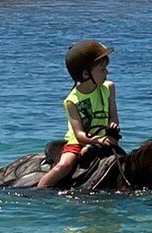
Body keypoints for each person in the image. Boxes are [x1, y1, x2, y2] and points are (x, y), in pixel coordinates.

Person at [37, 39, 120, 191]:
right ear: (86, 73)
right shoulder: (71, 101)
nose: (107, 72)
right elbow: (79, 134)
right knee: (65, 165)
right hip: (79, 142)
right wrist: (95, 140)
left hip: (104, 140)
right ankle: (40, 189)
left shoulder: (109, 88)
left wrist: (113, 125)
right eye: (102, 69)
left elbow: (113, 117)